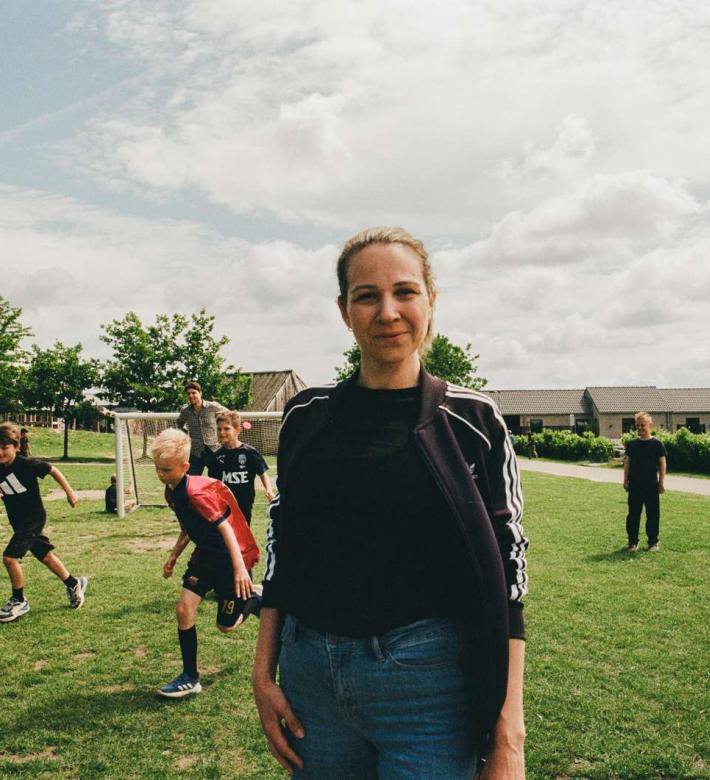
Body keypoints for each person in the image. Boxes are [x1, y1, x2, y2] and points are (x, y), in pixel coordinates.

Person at [252, 227, 528, 779]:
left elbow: (509, 568)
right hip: (312, 683)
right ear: (343, 310)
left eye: (405, 292)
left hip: (429, 687)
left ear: (431, 300)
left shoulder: (473, 420)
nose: (387, 312)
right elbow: (284, 540)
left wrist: (509, 733)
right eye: (366, 296)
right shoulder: (306, 416)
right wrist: (264, 672)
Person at [152, 428, 261, 698]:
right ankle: (190, 677)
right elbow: (189, 527)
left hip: (229, 560)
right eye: (157, 468)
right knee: (183, 610)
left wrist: (239, 568)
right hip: (204, 558)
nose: (161, 475)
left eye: (166, 470)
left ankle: (255, 599)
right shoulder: (171, 492)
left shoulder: (196, 493)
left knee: (226, 626)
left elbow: (225, 528)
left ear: (185, 467)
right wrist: (174, 555)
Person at [0, 422, 88, 623]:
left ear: (17, 447)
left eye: (5, 447)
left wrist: (70, 492)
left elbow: (53, 470)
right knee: (45, 556)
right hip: (18, 521)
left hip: (33, 518)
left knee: (9, 558)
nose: (0, 452)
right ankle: (74, 583)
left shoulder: (26, 464)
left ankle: (19, 601)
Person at [205, 411, 275, 526]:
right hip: (224, 503)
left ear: (237, 430)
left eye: (226, 429)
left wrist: (269, 489)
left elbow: (262, 473)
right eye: (219, 429)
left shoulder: (249, 452)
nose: (222, 432)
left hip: (244, 503)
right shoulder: (217, 456)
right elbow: (213, 483)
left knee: (243, 531)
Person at [623, 411, 666, 552]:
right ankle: (632, 543)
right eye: (637, 425)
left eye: (643, 425)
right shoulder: (632, 444)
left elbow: (662, 464)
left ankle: (653, 543)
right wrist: (625, 480)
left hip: (651, 485)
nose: (640, 428)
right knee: (633, 515)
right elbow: (627, 463)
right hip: (635, 485)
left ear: (650, 425)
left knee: (652, 514)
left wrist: (661, 482)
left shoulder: (657, 444)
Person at [176, 381, 227, 475]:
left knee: (216, 479)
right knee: (191, 480)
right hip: (195, 452)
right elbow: (179, 423)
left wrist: (222, 431)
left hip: (214, 451)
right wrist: (185, 433)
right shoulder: (185, 411)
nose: (191, 396)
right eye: (188, 394)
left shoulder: (213, 406)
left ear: (200, 393)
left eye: (193, 393)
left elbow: (229, 415)